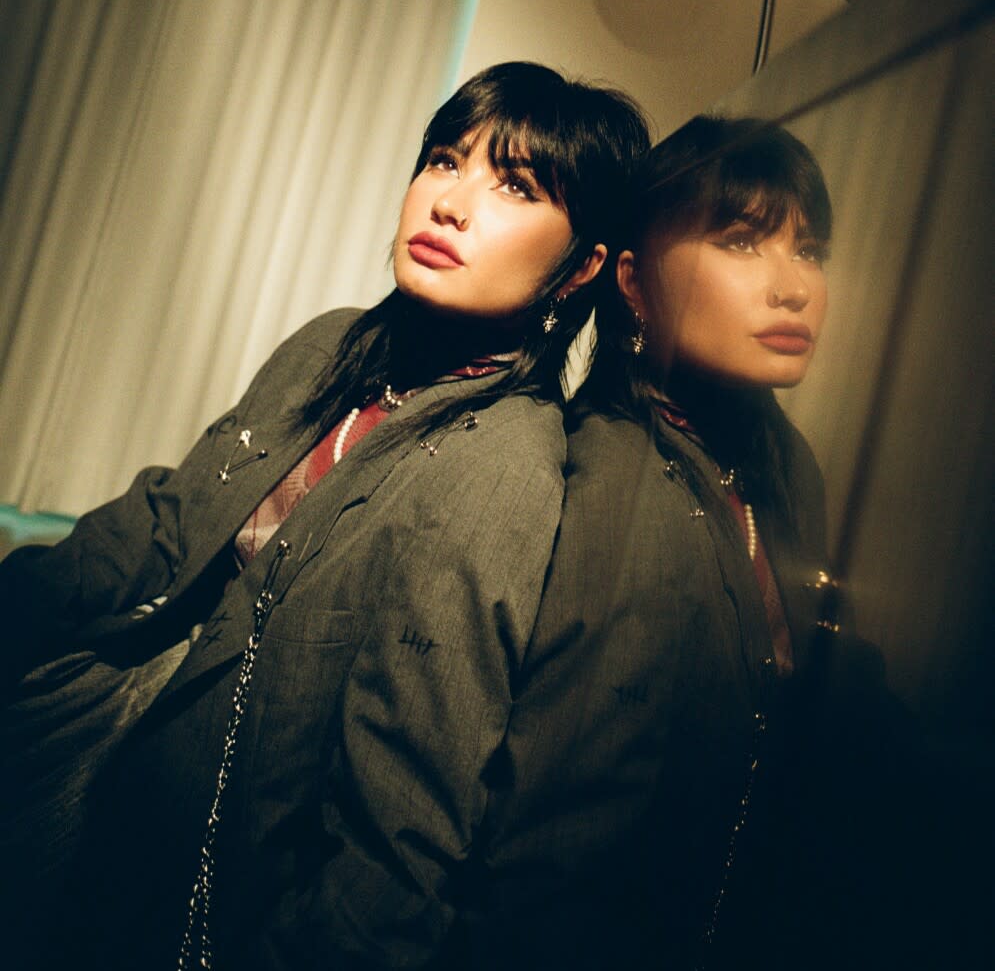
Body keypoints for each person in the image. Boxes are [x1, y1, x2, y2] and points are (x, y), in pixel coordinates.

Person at [0, 60, 649, 971]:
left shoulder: (502, 467)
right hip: (92, 806)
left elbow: (396, 842)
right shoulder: (333, 345)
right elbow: (170, 522)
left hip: (212, 907)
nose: (451, 203)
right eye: (442, 160)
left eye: (514, 186)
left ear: (580, 266)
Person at [466, 113, 839, 969]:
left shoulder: (782, 465)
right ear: (631, 283)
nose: (792, 287)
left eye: (808, 249)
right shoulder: (612, 483)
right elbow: (550, 853)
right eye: (742, 243)